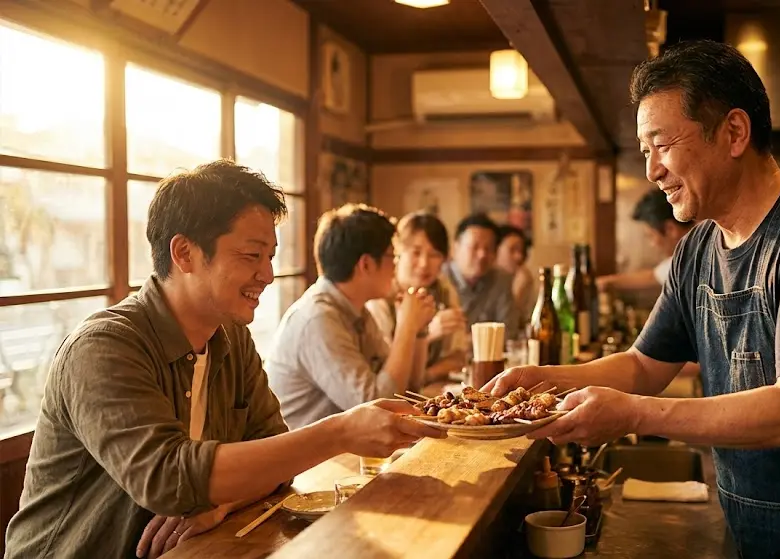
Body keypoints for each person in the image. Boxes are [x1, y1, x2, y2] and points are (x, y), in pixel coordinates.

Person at [484, 41, 780, 558]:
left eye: (662, 143)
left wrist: (634, 415)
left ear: (734, 132)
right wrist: (537, 382)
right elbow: (642, 366)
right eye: (644, 151)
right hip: (760, 529)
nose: (652, 169)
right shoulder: (698, 248)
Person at [3, 162, 443, 559]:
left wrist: (222, 503)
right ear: (185, 253)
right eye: (251, 255)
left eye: (269, 257)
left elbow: (274, 453)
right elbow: (166, 477)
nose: (267, 274)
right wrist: (342, 431)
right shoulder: (104, 347)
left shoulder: (230, 337)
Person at [265, 205, 437, 430]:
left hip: (343, 452)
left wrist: (418, 329)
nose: (395, 266)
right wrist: (406, 326)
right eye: (391, 256)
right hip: (311, 462)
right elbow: (375, 406)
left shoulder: (357, 311)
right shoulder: (317, 319)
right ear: (365, 264)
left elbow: (406, 390)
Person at [366, 211, 469, 384]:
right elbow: (386, 370)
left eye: (434, 255)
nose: (424, 264)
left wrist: (426, 376)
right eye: (416, 252)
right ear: (397, 252)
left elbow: (459, 357)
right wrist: (428, 334)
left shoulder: (443, 291)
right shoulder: (380, 297)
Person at [597, 187, 695, 292]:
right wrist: (607, 282)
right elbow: (654, 275)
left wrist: (605, 282)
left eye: (651, 236)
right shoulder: (689, 252)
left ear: (670, 229)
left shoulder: (690, 259)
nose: (652, 244)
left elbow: (651, 277)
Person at [442, 213, 517, 334]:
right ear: (455, 248)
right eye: (474, 247)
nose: (482, 255)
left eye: (488, 248)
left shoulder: (501, 280)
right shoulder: (438, 278)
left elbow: (509, 331)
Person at [494, 224, 534, 335]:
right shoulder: (488, 282)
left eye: (521, 251)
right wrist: (517, 294)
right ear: (495, 250)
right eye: (512, 250)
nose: (519, 257)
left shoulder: (525, 278)